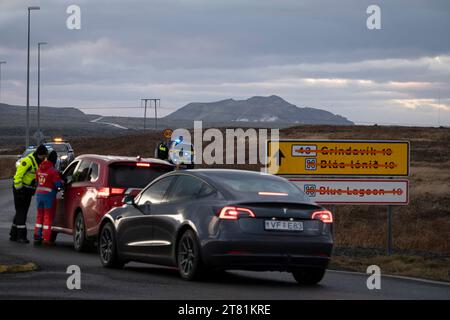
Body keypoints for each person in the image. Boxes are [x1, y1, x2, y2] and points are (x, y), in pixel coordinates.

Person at [10, 144, 48, 243]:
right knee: (22, 212)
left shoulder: (39, 162)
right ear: (39, 154)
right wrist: (19, 190)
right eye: (43, 156)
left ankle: (13, 234)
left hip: (27, 190)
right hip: (20, 190)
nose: (44, 158)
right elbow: (17, 176)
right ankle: (21, 236)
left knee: (21, 212)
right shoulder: (28, 161)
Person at [34, 150, 63, 246]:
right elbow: (57, 185)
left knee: (39, 216)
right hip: (49, 197)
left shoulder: (39, 168)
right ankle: (46, 238)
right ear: (54, 161)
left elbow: (37, 181)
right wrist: (62, 182)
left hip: (39, 195)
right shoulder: (53, 171)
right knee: (47, 217)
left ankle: (37, 235)